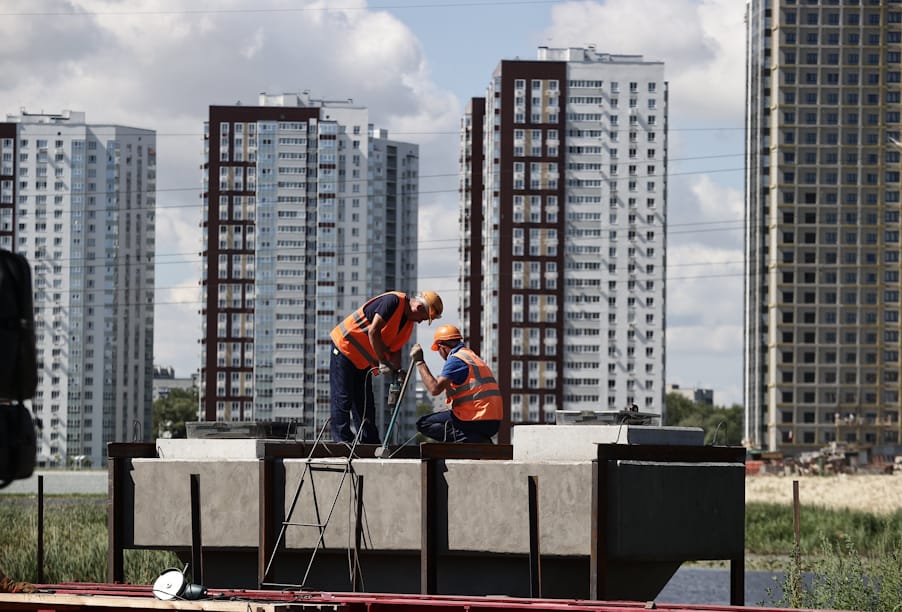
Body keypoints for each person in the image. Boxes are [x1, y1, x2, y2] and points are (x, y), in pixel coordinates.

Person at [329, 290, 443, 444]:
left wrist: (396, 373)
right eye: (423, 318)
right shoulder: (392, 302)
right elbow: (373, 331)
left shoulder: (408, 325)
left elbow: (395, 350)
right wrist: (382, 361)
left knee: (365, 404)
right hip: (345, 348)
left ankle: (369, 442)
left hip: (361, 361)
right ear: (419, 308)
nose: (421, 322)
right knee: (343, 398)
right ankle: (342, 441)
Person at [410, 324, 502, 443]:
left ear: (441, 346)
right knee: (444, 418)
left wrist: (420, 362)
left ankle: (474, 440)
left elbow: (434, 389)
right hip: (493, 422)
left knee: (424, 423)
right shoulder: (472, 357)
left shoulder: (456, 359)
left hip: (476, 419)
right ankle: (478, 439)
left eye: (438, 350)